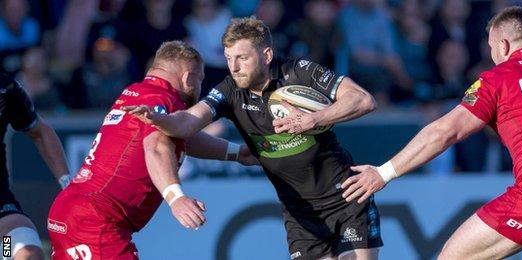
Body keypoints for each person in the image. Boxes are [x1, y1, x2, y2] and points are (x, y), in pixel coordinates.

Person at [342, 6, 522, 259]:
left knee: (452, 257)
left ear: (502, 45)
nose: (491, 55)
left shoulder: (498, 79)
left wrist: (384, 173)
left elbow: (445, 132)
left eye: (491, 48)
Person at [124, 17, 382, 259]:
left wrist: (313, 119)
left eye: (242, 58)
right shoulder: (229, 91)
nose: (234, 67)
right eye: (228, 58)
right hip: (299, 214)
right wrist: (160, 119)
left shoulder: (298, 72)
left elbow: (363, 100)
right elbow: (189, 121)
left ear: (266, 55)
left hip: (346, 197)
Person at [47, 41, 257, 259]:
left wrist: (236, 153)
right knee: (14, 244)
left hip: (72, 212)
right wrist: (176, 198)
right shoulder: (164, 98)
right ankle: (5, 245)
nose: (200, 85)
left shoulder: (136, 92)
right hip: (96, 220)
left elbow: (181, 136)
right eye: (200, 78)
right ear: (187, 77)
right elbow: (156, 145)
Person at [0, 72, 70, 260]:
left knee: (24, 254)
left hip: (2, 213)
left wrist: (67, 183)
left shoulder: (5, 87)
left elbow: (39, 132)